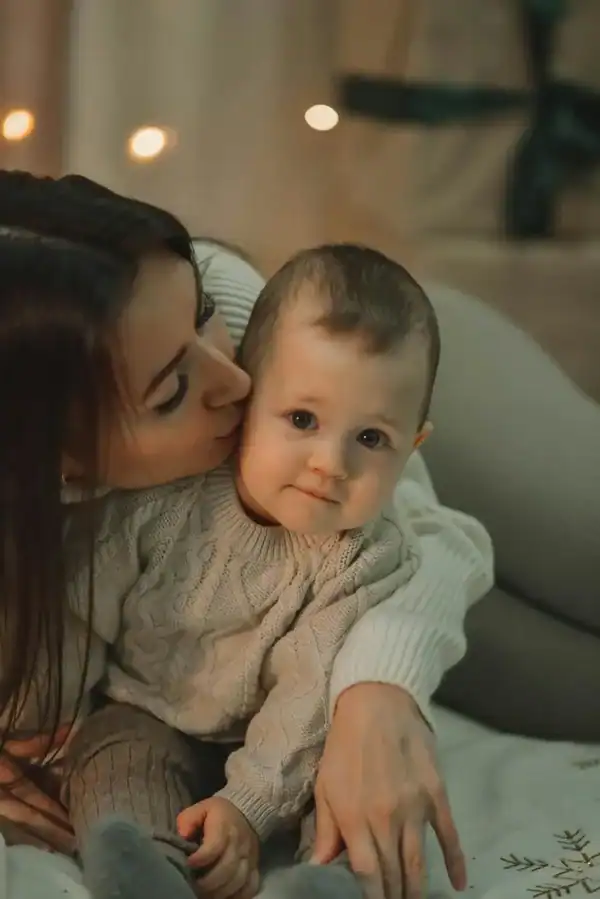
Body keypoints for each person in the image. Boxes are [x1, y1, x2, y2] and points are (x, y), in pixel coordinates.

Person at [0, 170, 493, 899]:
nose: (238, 382)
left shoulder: (263, 323)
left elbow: (439, 536)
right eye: (172, 391)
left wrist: (379, 688)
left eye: (202, 314)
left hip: (445, 375)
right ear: (57, 466)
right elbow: (71, 611)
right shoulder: (108, 510)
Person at [63, 243, 439, 899]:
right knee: (112, 758)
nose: (330, 464)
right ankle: (142, 869)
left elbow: (306, 694)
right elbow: (80, 607)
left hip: (285, 743)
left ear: (413, 446)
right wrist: (50, 717)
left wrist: (248, 806)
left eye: (371, 438)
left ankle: (332, 883)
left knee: (353, 778)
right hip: (145, 707)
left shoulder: (364, 556)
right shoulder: (163, 495)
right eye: (302, 419)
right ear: (244, 395)